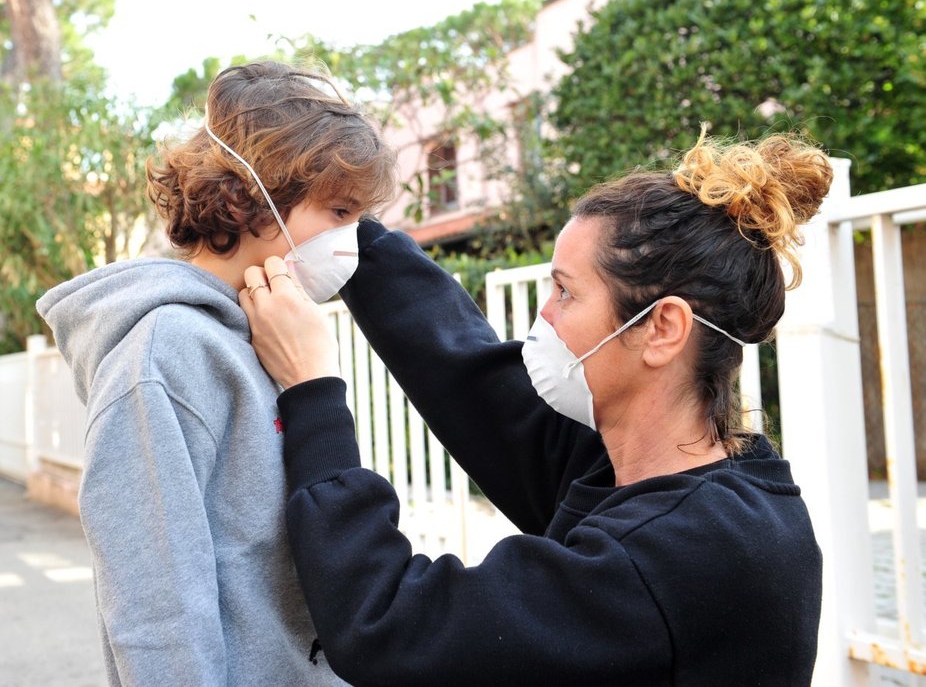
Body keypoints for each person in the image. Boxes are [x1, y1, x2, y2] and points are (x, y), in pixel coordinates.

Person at [240, 129, 830, 685]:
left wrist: (311, 385)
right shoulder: (674, 476)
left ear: (662, 329)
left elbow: (388, 623)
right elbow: (478, 388)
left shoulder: (683, 558)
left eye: (566, 291)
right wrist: (344, 224)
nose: (543, 315)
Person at [36, 59, 396, 685]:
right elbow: (155, 607)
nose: (352, 238)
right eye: (339, 211)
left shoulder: (268, 334)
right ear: (251, 198)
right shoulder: (163, 352)